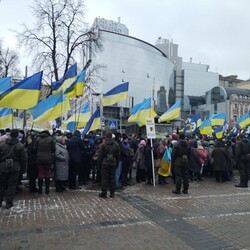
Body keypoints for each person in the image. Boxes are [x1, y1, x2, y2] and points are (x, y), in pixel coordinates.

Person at [0, 129, 27, 209]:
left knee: (1, 185)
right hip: (15, 167)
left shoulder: (2, 145)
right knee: (12, 186)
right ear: (17, 135)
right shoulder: (20, 145)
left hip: (3, 166)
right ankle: (9, 203)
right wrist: (23, 169)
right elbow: (23, 159)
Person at [97, 131, 120, 198]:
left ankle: (104, 192)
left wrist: (99, 164)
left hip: (105, 163)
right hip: (113, 162)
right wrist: (117, 163)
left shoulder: (103, 145)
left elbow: (100, 156)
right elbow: (118, 155)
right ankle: (112, 193)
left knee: (104, 178)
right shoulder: (116, 144)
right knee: (112, 178)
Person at [34, 130, 56, 194]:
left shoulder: (38, 139)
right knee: (47, 173)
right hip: (48, 159)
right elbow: (53, 149)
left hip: (39, 159)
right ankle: (47, 190)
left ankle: (40, 190)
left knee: (40, 174)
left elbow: (34, 148)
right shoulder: (51, 139)